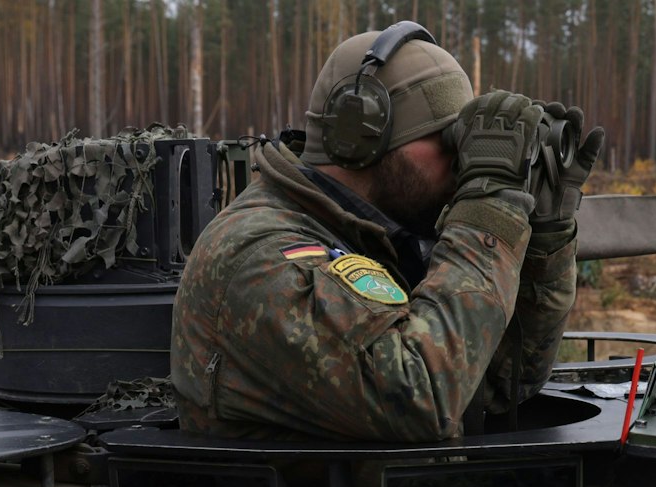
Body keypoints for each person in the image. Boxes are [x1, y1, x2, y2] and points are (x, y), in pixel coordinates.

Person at [171, 22, 604, 443]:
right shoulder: (263, 257)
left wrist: (545, 232)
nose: (461, 161)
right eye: (448, 137)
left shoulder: (368, 232)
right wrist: (487, 213)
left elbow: (498, 383)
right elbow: (423, 399)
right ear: (364, 136)